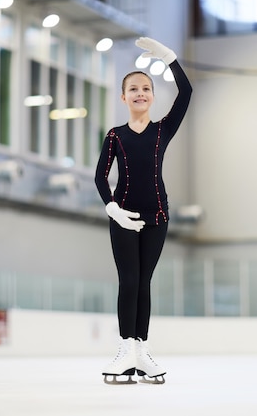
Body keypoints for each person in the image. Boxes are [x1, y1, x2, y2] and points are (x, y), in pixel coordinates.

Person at [95, 37, 192, 385]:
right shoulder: (115, 135)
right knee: (129, 281)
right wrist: (112, 208)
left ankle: (142, 352)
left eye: (146, 88)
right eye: (133, 88)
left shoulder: (162, 130)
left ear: (152, 95)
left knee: (145, 282)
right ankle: (125, 350)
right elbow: (100, 175)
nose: (140, 93)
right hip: (124, 217)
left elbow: (187, 92)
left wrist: (169, 59)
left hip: (157, 217)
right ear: (123, 97)